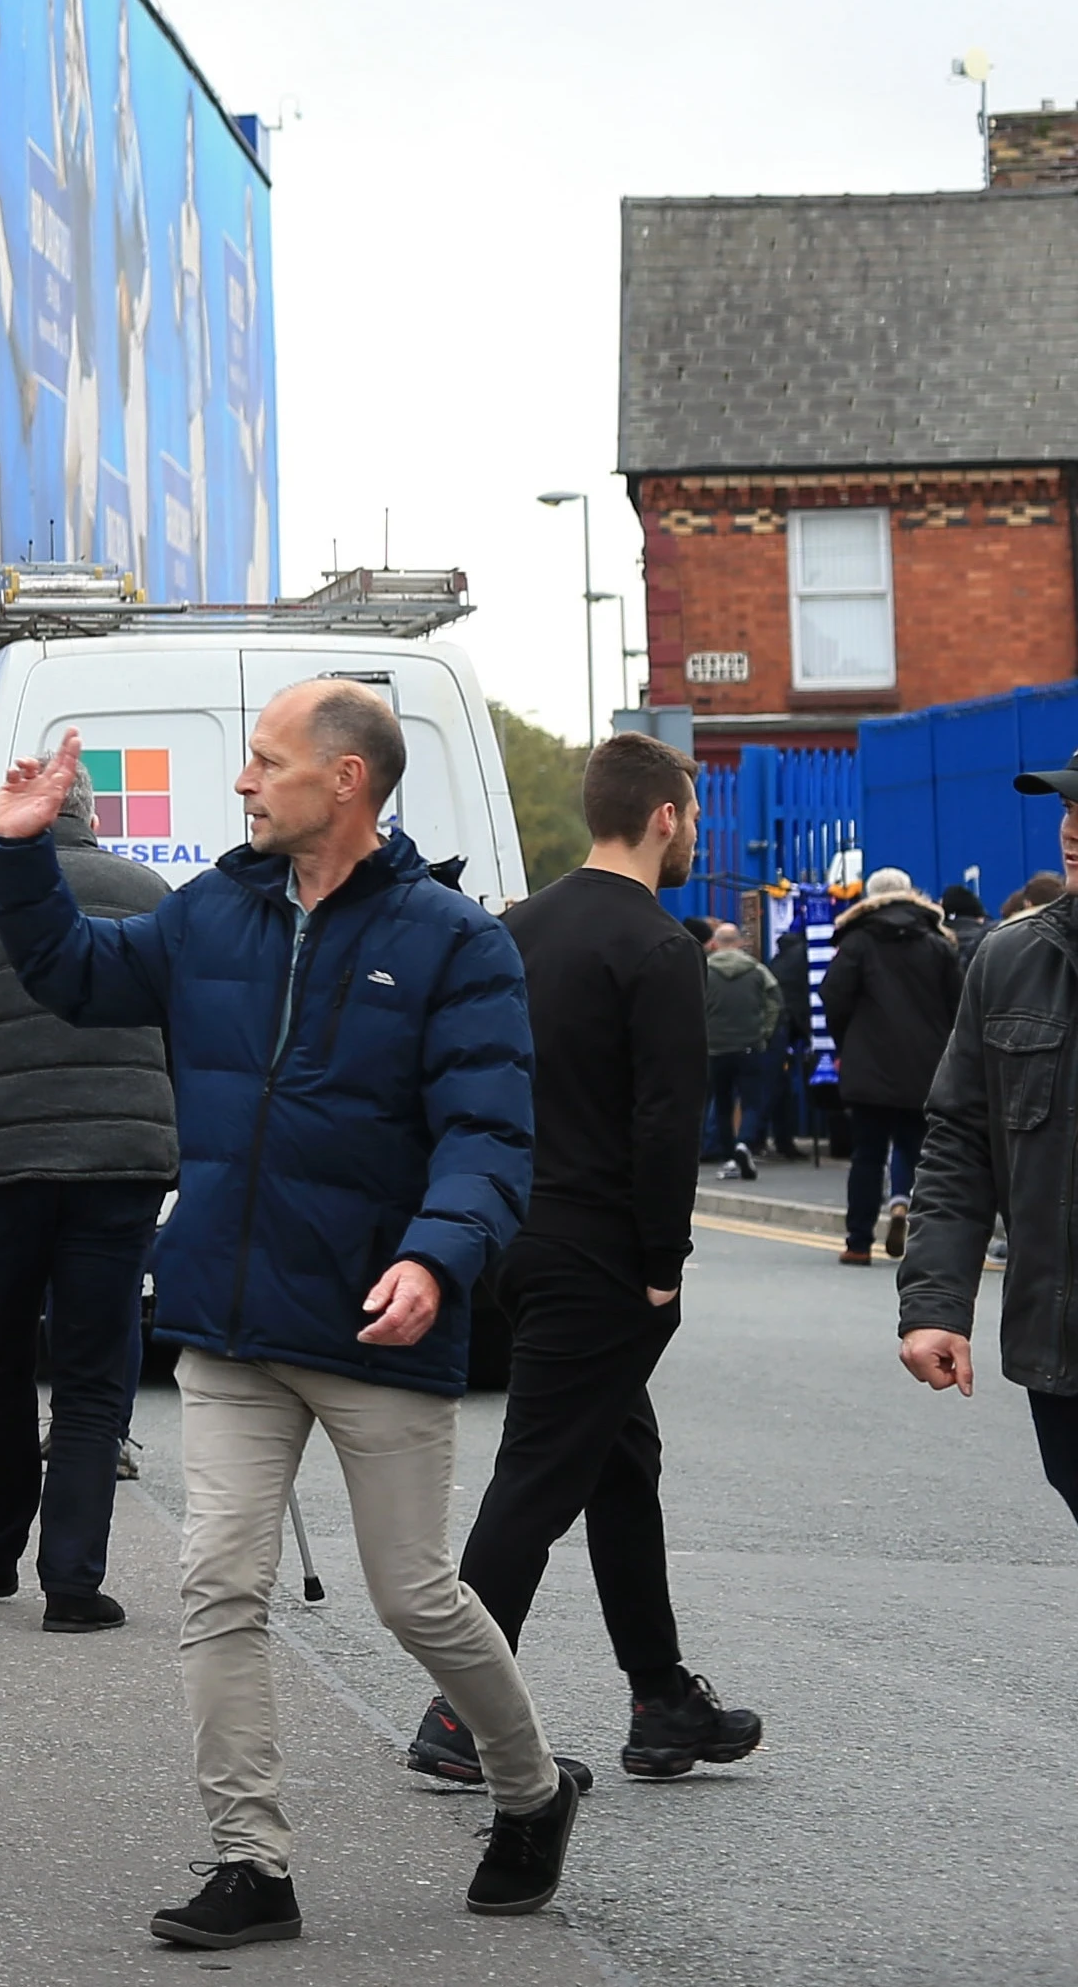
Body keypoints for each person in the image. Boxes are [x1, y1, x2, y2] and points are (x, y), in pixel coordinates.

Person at [0, 684, 573, 1947]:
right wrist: (22, 853)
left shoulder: (456, 941)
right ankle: (252, 1862)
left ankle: (529, 1791)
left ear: (345, 781)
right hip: (233, 1327)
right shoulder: (214, 912)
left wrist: (435, 1256)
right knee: (217, 1587)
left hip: (376, 1324)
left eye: (263, 762)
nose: (242, 785)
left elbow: (490, 1135)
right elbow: (76, 977)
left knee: (416, 1598)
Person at [416, 733, 758, 1788]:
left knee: (619, 1462)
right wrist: (663, 1262)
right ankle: (459, 1715)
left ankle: (661, 1701)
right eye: (692, 816)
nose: (693, 832)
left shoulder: (519, 928)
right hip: (602, 1251)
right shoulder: (657, 949)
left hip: (515, 1232)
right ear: (664, 817)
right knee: (537, 1478)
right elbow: (665, 1121)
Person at [0, 796, 172, 1629]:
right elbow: (194, 1034)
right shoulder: (151, 894)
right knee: (91, 1374)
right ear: (90, 819)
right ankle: (75, 1583)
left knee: (1, 1357)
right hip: (124, 1164)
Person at [900, 747, 1078, 1528]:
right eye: (1070, 810)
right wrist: (935, 1302)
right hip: (1061, 1348)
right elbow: (961, 1143)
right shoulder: (1010, 960)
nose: (1072, 830)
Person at [824, 866, 957, 1267]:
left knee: (867, 1153)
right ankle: (909, 1219)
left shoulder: (859, 940)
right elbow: (959, 1003)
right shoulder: (937, 942)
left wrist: (845, 1040)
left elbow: (834, 995)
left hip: (868, 1063)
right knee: (916, 1149)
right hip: (925, 1064)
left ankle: (859, 1242)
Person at [696, 916, 779, 1182]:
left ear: (715, 944)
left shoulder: (704, 970)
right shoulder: (757, 969)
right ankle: (744, 1143)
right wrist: (764, 1031)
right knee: (752, 1102)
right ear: (741, 943)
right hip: (749, 1046)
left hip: (715, 1049)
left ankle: (730, 1156)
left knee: (721, 1105)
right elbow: (775, 1001)